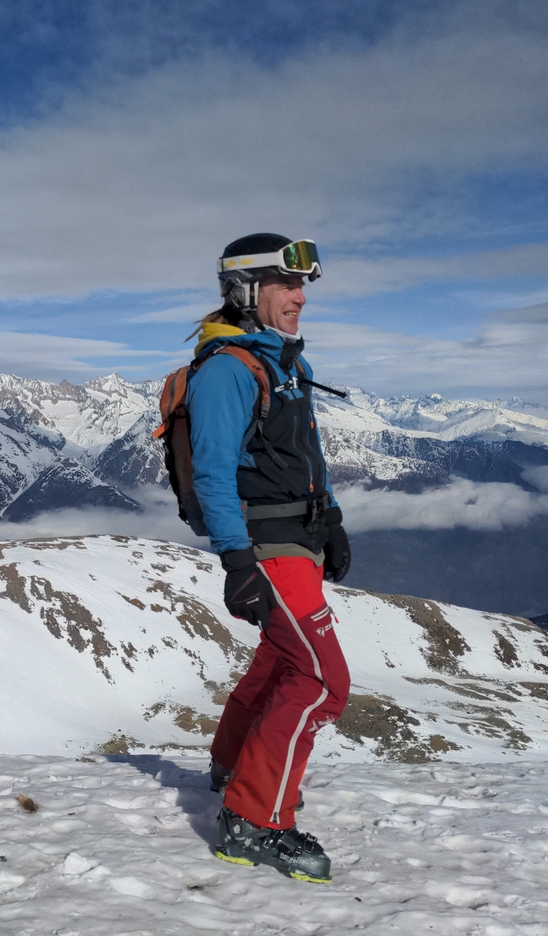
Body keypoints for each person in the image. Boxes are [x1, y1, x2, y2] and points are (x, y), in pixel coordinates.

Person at [186, 232, 351, 883]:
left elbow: (309, 454)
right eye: (286, 285)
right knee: (320, 681)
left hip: (301, 541)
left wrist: (331, 519)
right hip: (267, 548)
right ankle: (253, 820)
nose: (300, 298)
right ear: (247, 291)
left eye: (303, 285)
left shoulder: (288, 364)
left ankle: (234, 768)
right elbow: (213, 475)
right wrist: (236, 561)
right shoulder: (229, 369)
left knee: (283, 662)